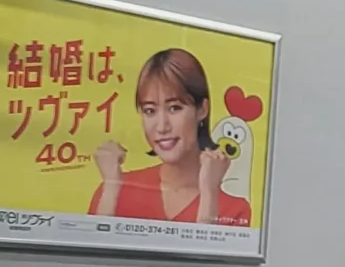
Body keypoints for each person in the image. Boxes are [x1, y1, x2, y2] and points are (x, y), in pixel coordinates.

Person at [89, 48, 251, 225]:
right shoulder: (115, 188)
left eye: (175, 108)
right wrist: (111, 188)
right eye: (149, 111)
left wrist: (209, 195)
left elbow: (201, 252)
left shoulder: (235, 210)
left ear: (202, 109)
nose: (162, 126)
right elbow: (89, 250)